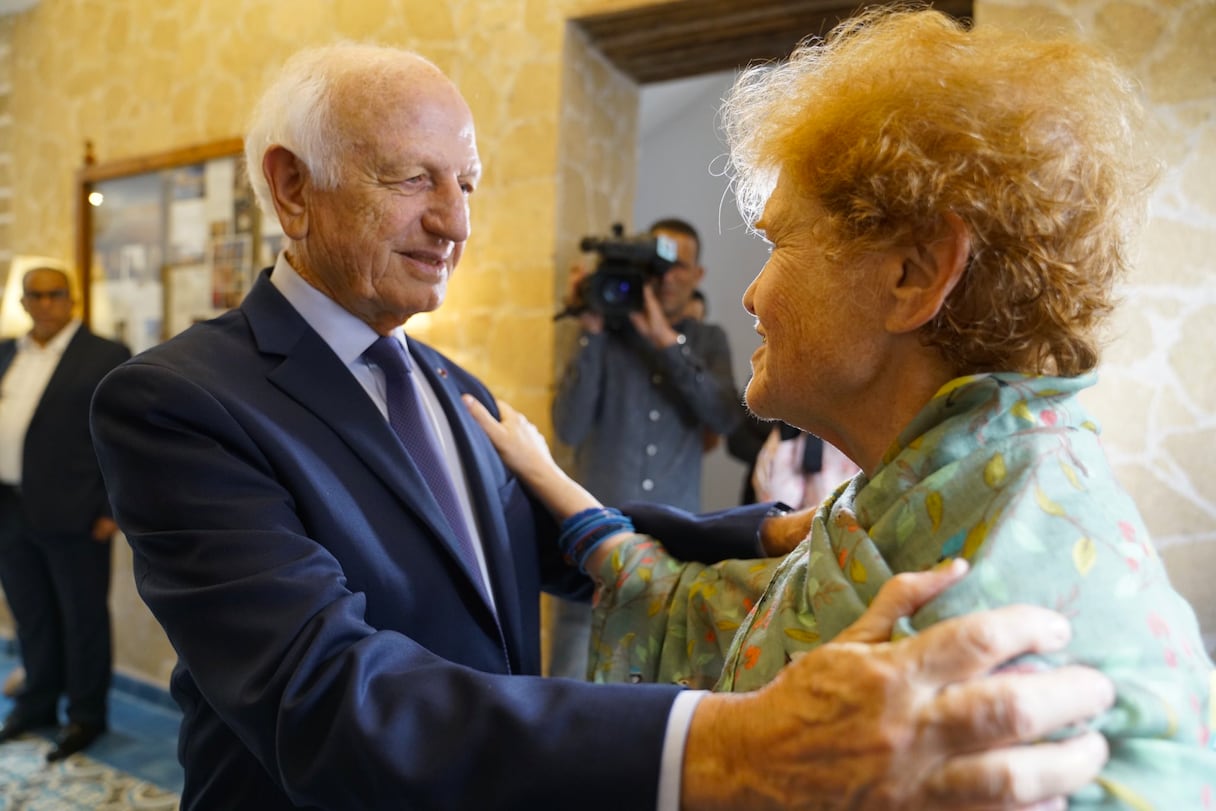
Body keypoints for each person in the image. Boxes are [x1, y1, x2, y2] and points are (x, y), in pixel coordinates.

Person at [90, 41, 1116, 811]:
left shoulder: (446, 379)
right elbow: (318, 691)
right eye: (414, 179)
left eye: (469, 184)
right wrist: (723, 744)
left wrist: (758, 533)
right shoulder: (179, 400)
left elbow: (515, 536)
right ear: (291, 187)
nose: (455, 221)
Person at [467, 6, 1216, 807]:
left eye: (777, 243)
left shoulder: (1006, 615)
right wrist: (552, 480)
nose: (751, 294)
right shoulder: (929, 489)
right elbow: (715, 607)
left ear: (913, 276)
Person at [548, 218, 741, 677]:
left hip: (675, 557)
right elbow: (569, 428)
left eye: (680, 267)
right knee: (567, 691)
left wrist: (665, 342)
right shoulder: (607, 338)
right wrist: (591, 328)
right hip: (594, 548)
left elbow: (726, 417)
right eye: (658, 266)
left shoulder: (708, 341)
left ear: (697, 276)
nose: (667, 278)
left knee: (656, 695)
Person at [0, 264, 130, 761]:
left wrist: (110, 507)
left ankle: (84, 716)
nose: (46, 303)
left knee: (82, 620)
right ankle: (36, 705)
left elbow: (123, 440)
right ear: (25, 303)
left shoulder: (104, 356)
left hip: (76, 513)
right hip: (10, 508)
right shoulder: (8, 353)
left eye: (56, 294)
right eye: (36, 295)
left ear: (72, 300)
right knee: (31, 616)